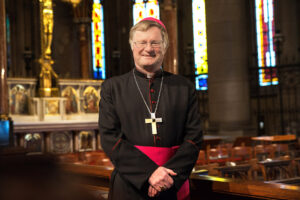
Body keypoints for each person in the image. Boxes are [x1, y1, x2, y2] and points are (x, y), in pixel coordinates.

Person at [98, 17, 202, 200]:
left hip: (173, 183)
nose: (148, 48)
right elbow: (109, 138)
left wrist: (168, 177)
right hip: (129, 186)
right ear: (132, 46)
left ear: (165, 47)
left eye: (155, 42)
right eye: (142, 42)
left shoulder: (184, 87)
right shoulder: (113, 88)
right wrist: (149, 174)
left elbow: (194, 138)